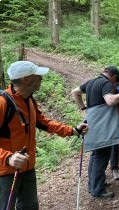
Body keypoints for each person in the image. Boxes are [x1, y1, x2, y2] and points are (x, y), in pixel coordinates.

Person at [0, 61, 88, 209]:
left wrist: (73, 130)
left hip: (27, 168)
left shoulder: (29, 100)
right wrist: (8, 158)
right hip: (5, 172)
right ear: (26, 79)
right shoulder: (3, 103)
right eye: (38, 75)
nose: (42, 78)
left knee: (30, 206)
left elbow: (44, 123)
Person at [71, 65, 119, 198]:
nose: (114, 84)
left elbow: (74, 92)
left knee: (95, 156)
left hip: (92, 123)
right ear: (113, 76)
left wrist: (82, 107)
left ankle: (93, 185)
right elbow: (110, 100)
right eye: (115, 81)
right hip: (102, 126)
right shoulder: (106, 83)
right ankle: (98, 190)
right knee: (101, 156)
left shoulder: (91, 82)